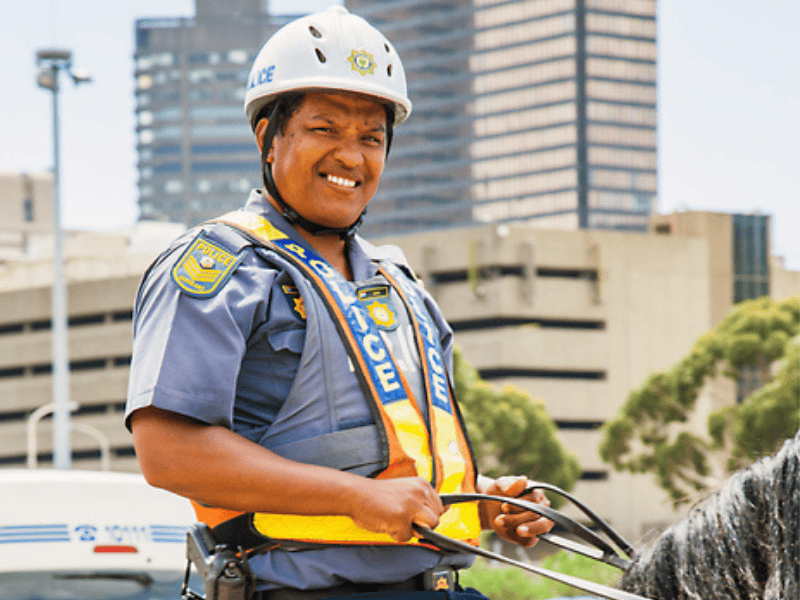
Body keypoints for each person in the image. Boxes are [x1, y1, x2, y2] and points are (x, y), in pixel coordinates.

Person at [126, 6, 553, 599]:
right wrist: (356, 498)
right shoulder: (222, 265)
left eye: (371, 138)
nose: (352, 157)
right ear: (267, 137)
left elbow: (397, 465)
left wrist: (486, 501)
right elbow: (167, 453)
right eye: (325, 130)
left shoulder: (401, 284)